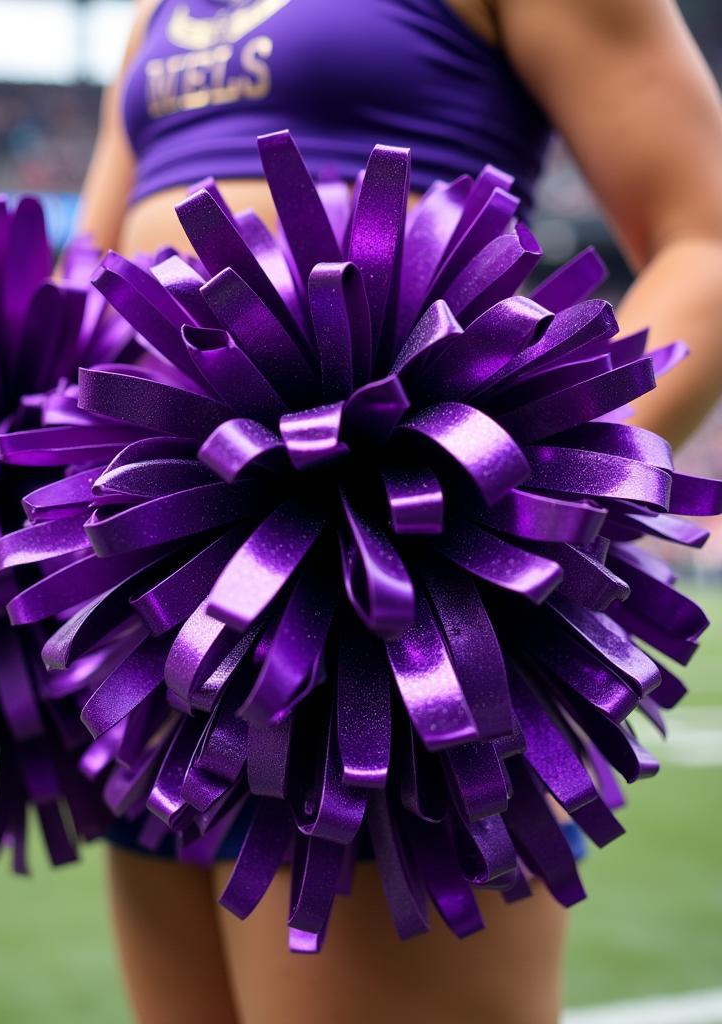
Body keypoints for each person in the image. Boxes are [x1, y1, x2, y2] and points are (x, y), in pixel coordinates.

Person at [75, 2, 722, 1021]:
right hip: (163, 615)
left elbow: (709, 238)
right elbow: (92, 273)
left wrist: (514, 486)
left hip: (384, 613)